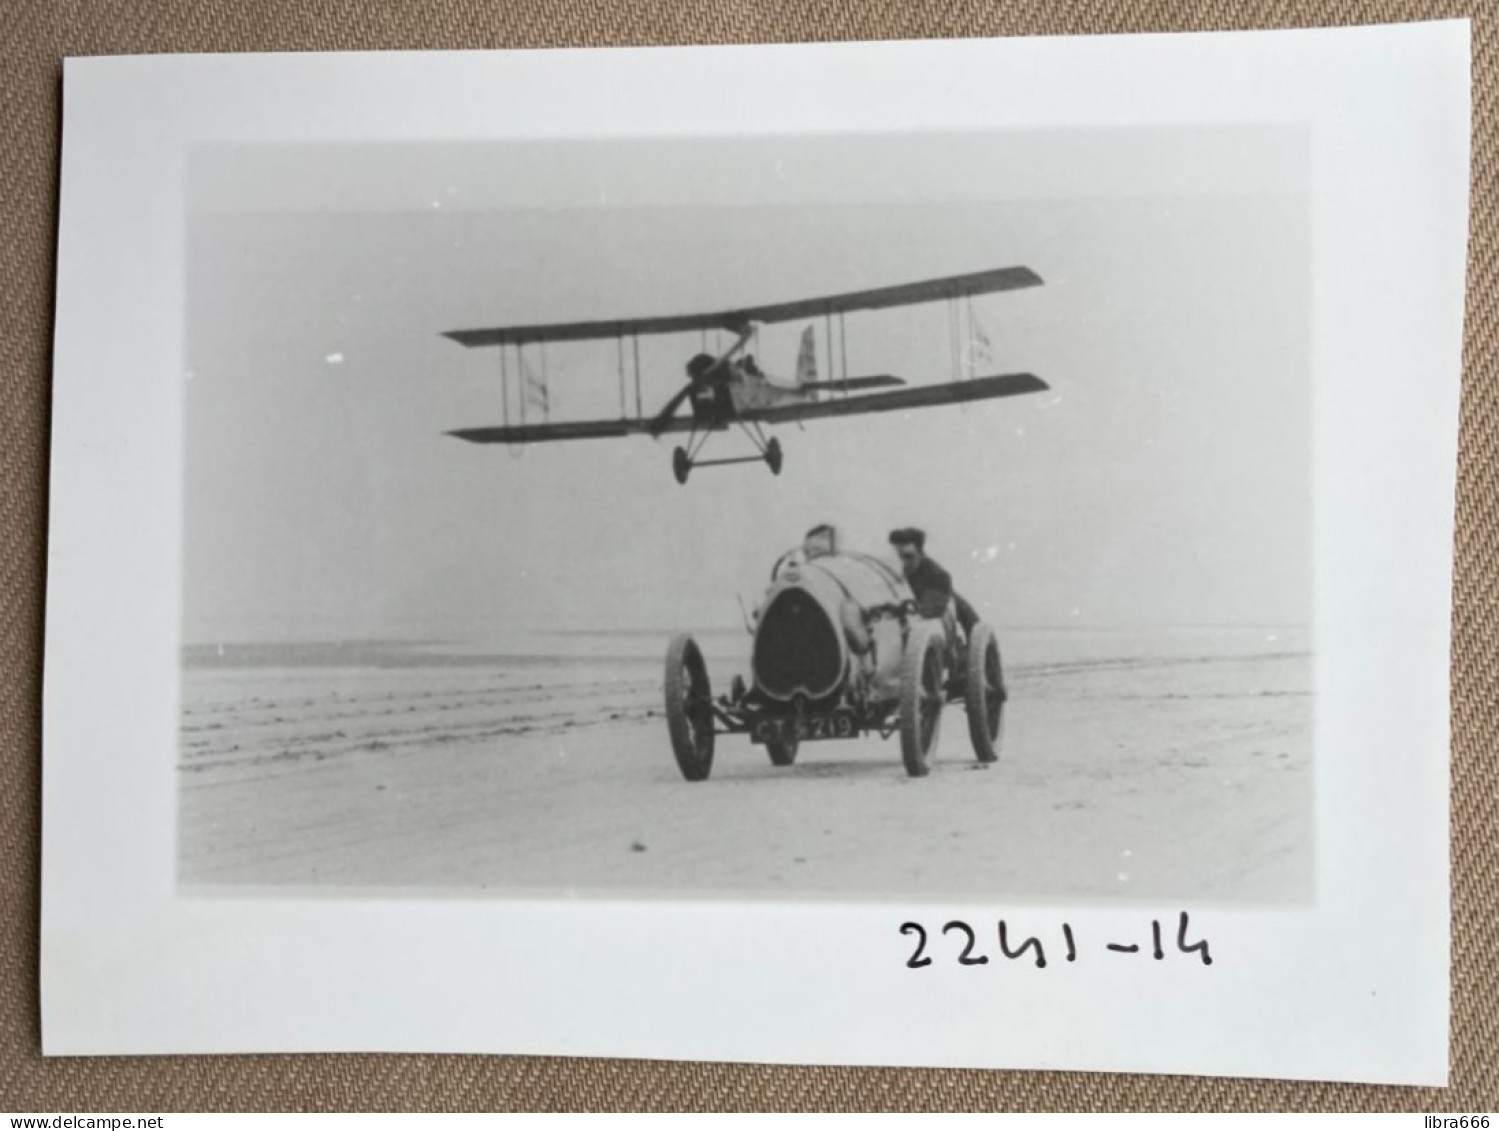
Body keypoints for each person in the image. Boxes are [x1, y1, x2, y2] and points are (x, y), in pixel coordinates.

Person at [888, 527, 978, 637]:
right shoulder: (892, 575)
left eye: (909, 557)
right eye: (899, 557)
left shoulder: (937, 576)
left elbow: (929, 610)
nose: (903, 563)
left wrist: (901, 609)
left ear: (921, 554)